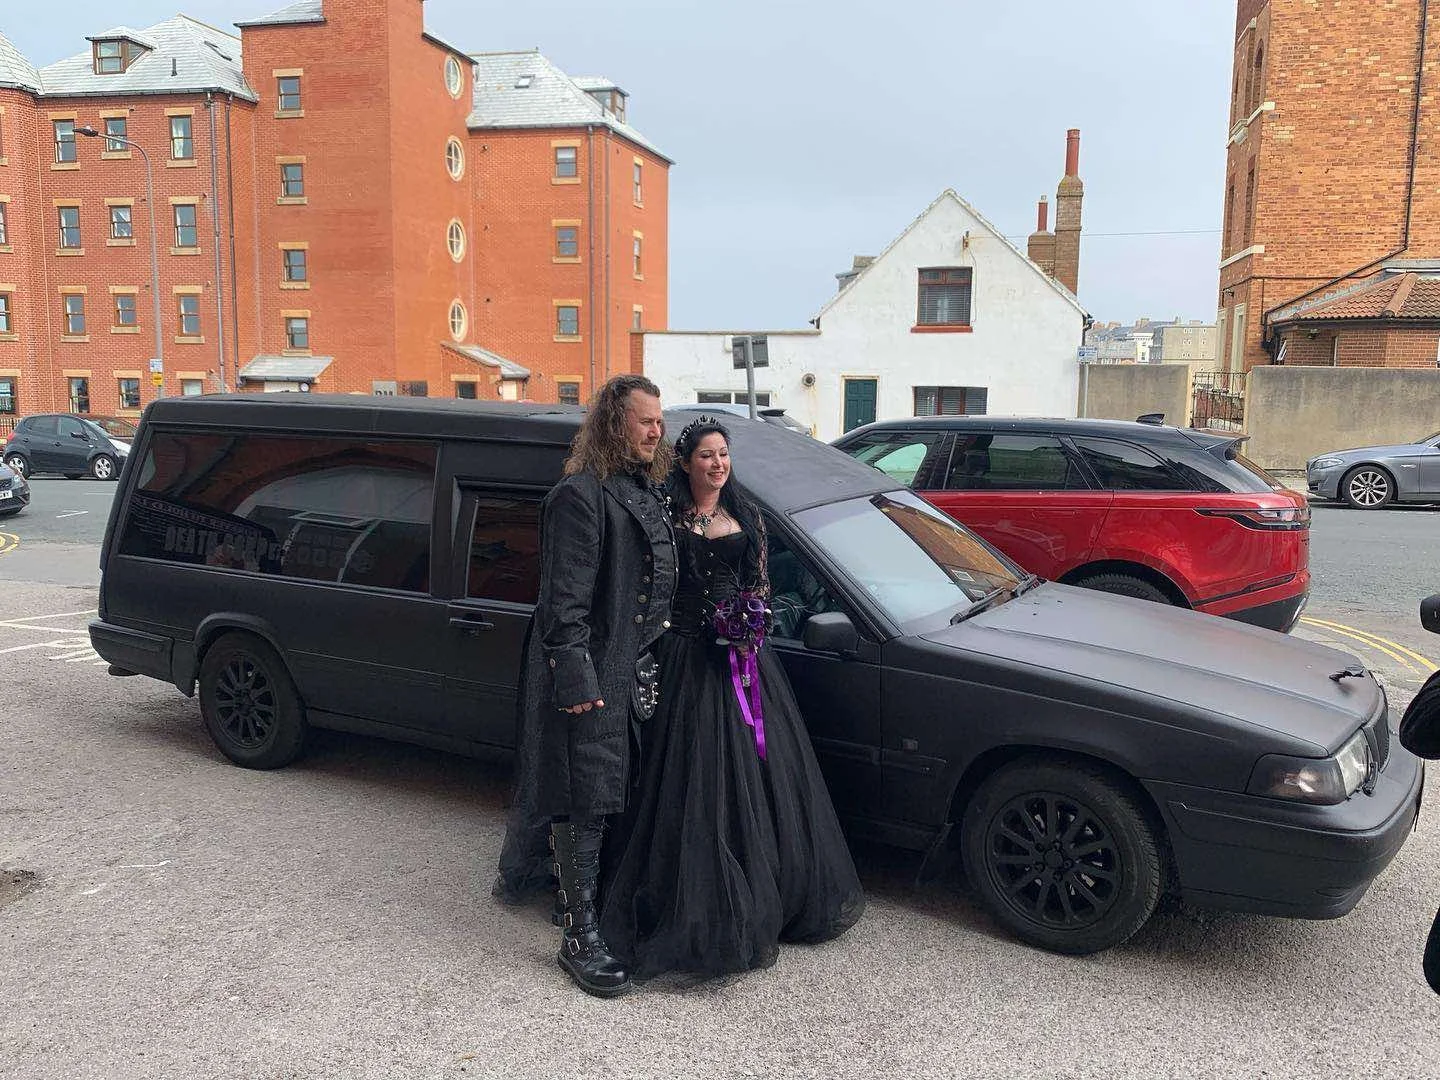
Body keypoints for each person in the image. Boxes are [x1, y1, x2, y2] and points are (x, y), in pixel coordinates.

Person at [598, 415, 865, 980]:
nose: (717, 465)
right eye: (705, 457)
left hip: (742, 664)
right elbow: (653, 585)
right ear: (686, 462)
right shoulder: (668, 519)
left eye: (724, 455)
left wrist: (751, 626)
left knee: (757, 778)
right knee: (685, 780)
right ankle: (687, 905)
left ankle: (767, 895)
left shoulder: (746, 515)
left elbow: (758, 585)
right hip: (684, 658)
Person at [494, 374, 677, 999]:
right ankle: (578, 937)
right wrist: (576, 678)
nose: (657, 431)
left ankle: (603, 910)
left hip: (636, 671)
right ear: (613, 424)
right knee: (585, 799)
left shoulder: (642, 491)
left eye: (660, 420)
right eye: (645, 421)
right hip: (593, 676)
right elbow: (563, 604)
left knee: (619, 793)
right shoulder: (580, 495)